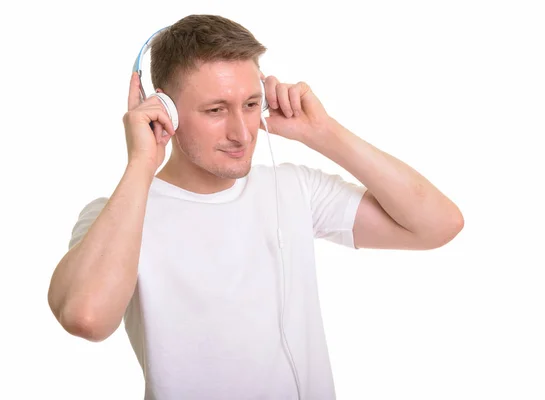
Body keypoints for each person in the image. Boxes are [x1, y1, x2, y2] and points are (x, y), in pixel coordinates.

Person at [47, 14, 464, 400]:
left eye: (250, 104)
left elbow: (439, 225)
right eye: (215, 110)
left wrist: (323, 133)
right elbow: (86, 317)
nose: (242, 133)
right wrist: (141, 163)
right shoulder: (117, 213)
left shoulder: (293, 188)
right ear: (165, 111)